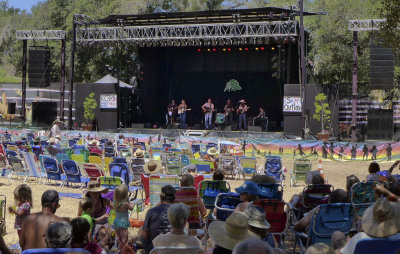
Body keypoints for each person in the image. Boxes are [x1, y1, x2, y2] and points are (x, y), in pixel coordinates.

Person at [141, 185, 176, 253]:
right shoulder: (179, 212)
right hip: (174, 248)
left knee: (141, 232)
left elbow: (145, 236)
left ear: (160, 197)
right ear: (174, 199)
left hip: (155, 249)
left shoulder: (151, 212)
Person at [113, 184, 134, 249]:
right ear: (125, 195)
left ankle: (118, 249)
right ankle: (122, 250)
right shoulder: (125, 204)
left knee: (119, 238)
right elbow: (132, 208)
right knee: (124, 239)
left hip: (116, 222)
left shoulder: (115, 202)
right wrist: (130, 202)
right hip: (123, 223)